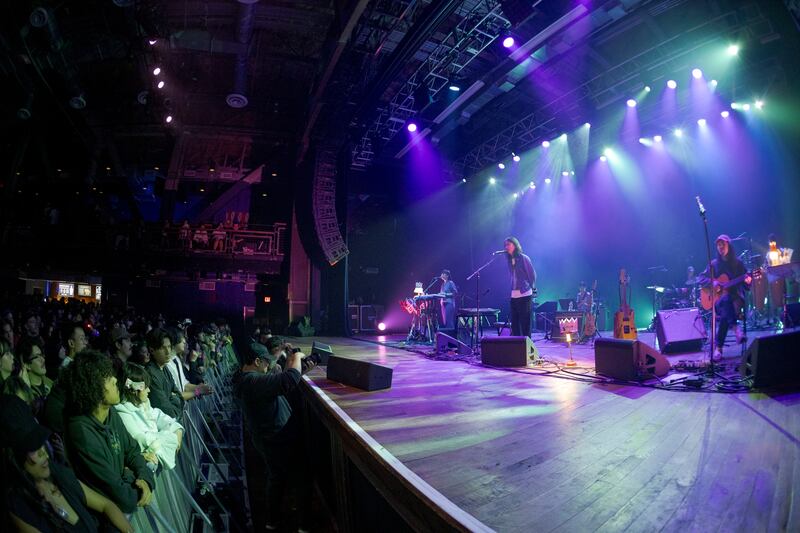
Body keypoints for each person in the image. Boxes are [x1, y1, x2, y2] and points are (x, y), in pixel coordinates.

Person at [0, 395, 134, 533]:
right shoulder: (18, 508)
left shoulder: (56, 471)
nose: (43, 452)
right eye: (33, 447)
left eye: (41, 443)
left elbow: (106, 505)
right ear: (13, 458)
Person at [232, 339, 316, 530]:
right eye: (266, 362)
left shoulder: (246, 379)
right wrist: (297, 357)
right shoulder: (252, 381)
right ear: (256, 361)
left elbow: (280, 383)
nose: (269, 366)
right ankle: (304, 525)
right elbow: (287, 381)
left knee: (277, 477)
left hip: (268, 438)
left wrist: (297, 370)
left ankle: (273, 521)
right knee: (301, 477)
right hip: (277, 439)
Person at [62, 350, 155, 514]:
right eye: (106, 377)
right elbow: (123, 499)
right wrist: (132, 479)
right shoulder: (81, 433)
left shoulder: (110, 412)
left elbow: (133, 451)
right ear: (91, 387)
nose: (115, 380)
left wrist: (145, 479)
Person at [114, 363, 184, 470]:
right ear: (134, 390)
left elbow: (163, 418)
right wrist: (171, 436)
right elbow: (141, 439)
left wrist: (177, 429)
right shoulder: (122, 411)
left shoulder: (143, 403)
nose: (149, 391)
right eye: (145, 387)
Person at [697, 234, 752, 360]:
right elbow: (700, 278)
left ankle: (718, 348)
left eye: (723, 244)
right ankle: (736, 329)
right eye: (718, 245)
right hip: (719, 302)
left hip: (736, 300)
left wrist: (748, 281)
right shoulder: (714, 264)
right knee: (725, 301)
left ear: (729, 245)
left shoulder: (738, 263)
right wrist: (713, 282)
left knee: (726, 305)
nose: (720, 247)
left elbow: (746, 284)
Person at [4, 336, 53, 415]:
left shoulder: (49, 381)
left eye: (42, 355)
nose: (43, 359)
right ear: (26, 364)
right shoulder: (25, 393)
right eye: (37, 357)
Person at [144, 328, 184, 420]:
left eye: (169, 347)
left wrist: (173, 398)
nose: (168, 351)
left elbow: (180, 397)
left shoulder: (164, 367)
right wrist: (174, 398)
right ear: (152, 350)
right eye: (163, 348)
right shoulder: (150, 373)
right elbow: (169, 413)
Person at [503, 236, 537, 338]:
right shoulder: (509, 260)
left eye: (508, 244)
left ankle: (527, 344)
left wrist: (532, 288)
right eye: (505, 245)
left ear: (515, 245)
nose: (506, 247)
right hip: (514, 294)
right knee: (515, 323)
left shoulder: (524, 258)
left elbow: (532, 274)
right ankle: (517, 344)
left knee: (525, 323)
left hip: (525, 293)